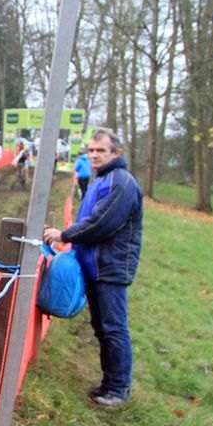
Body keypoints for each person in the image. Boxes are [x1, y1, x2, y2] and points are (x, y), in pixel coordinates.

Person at [43, 129, 143, 408]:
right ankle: (108, 384)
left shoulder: (121, 183)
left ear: (116, 154)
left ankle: (119, 389)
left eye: (101, 150)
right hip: (94, 266)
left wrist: (65, 235)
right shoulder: (102, 179)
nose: (95, 155)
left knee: (113, 328)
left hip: (110, 268)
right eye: (91, 150)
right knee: (101, 328)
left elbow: (101, 223)